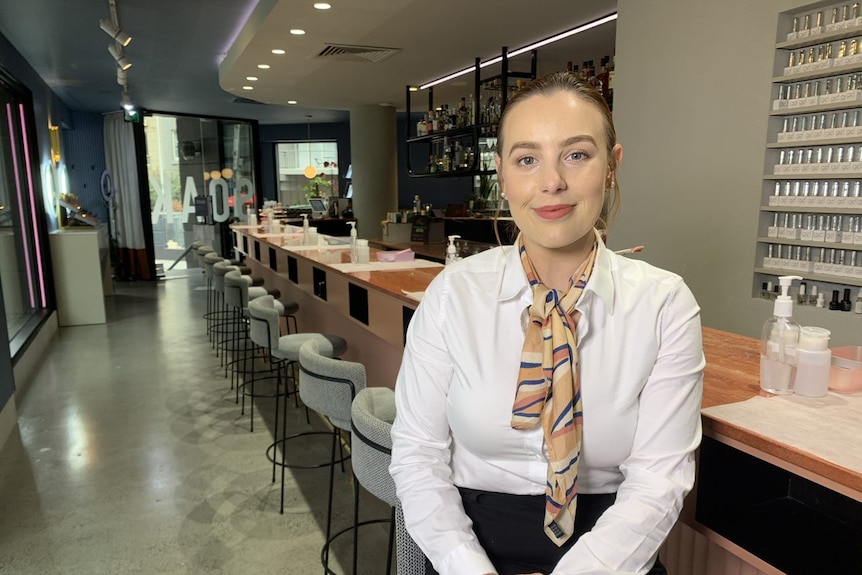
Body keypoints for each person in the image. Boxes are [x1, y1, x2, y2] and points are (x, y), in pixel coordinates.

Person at [389, 71, 705, 575]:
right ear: (503, 173)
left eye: (577, 155)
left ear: (611, 167)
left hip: (611, 548)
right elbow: (417, 456)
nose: (551, 181)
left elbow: (658, 480)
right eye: (527, 159)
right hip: (469, 543)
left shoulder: (664, 304)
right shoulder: (454, 295)